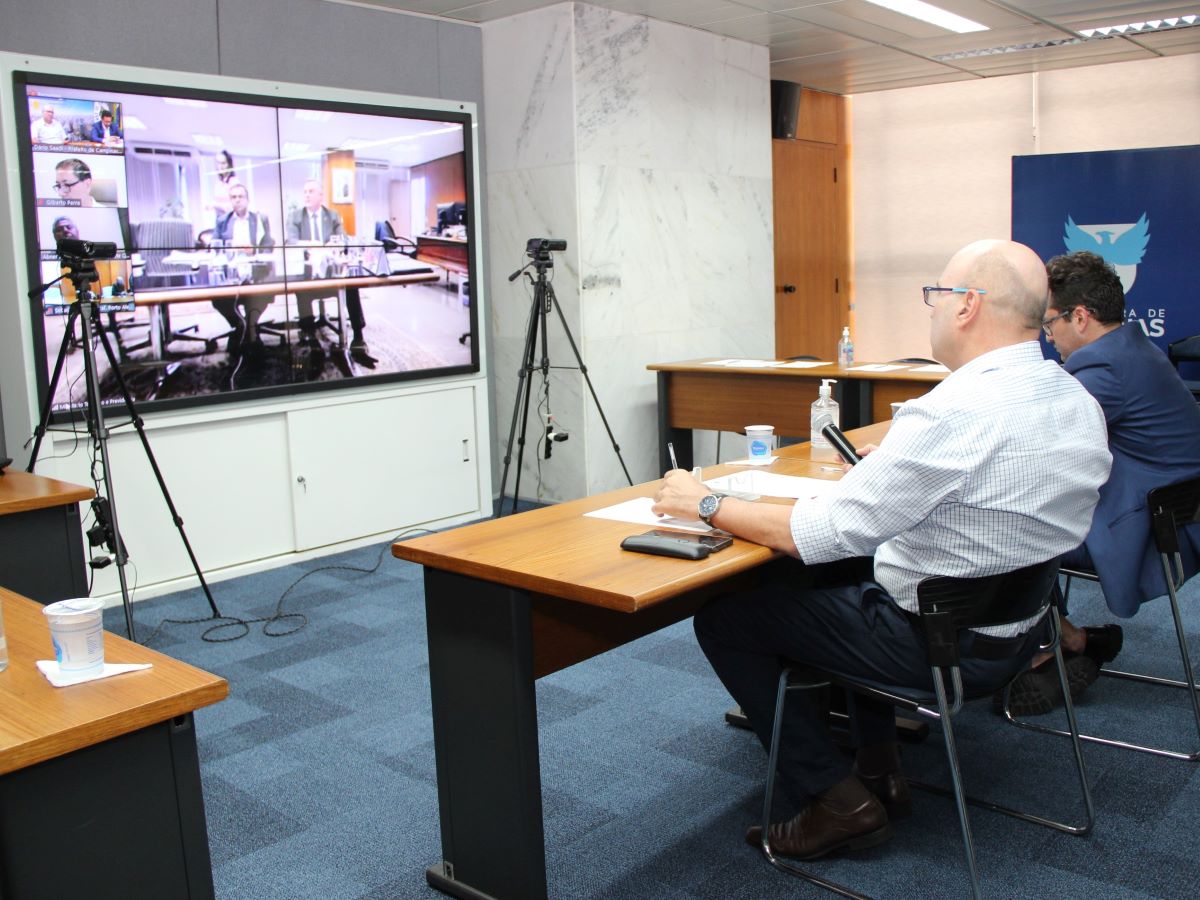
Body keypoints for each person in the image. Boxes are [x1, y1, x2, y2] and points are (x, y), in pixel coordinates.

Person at [651, 239, 1111, 862]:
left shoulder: (951, 410)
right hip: (1022, 634)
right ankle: (878, 767)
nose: (930, 310)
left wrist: (702, 503)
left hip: (943, 644)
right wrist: (894, 472)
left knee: (729, 619)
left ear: (967, 306)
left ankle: (838, 802)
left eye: (935, 295)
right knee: (843, 580)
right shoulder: (1076, 401)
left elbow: (810, 534)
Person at [1005, 250, 1200, 715]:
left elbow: (1036, 446)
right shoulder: (1133, 349)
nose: (1047, 337)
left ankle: (1043, 647)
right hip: (1175, 518)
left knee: (1010, 524)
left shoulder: (1102, 368)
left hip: (1148, 532)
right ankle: (1069, 638)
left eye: (1050, 323)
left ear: (1081, 316)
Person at [286, 178, 368, 351]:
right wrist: (309, 243)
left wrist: (336, 243)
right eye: (305, 192)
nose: (307, 195)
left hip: (331, 270)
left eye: (311, 191)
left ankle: (358, 335)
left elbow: (343, 238)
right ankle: (308, 333)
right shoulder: (295, 216)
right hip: (307, 271)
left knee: (351, 284)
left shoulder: (333, 215)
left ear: (321, 195)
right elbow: (290, 241)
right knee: (300, 288)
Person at [210, 183, 276, 354]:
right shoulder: (222, 221)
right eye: (233, 197)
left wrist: (255, 250)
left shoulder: (259, 219)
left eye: (241, 197)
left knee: (266, 292)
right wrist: (229, 250)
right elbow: (214, 246)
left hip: (255, 270)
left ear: (247, 200)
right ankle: (240, 326)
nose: (237, 200)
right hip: (230, 271)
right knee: (217, 298)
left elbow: (269, 244)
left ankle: (251, 324)